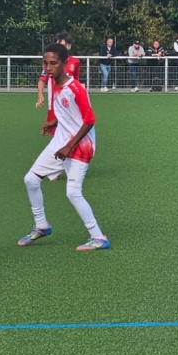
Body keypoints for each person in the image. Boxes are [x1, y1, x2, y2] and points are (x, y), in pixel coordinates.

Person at [18, 42, 110, 252]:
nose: (48, 68)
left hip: (80, 146)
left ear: (65, 64)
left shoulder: (76, 89)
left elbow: (89, 121)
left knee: (73, 192)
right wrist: (55, 122)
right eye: (45, 63)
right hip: (60, 142)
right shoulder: (53, 83)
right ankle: (42, 225)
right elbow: (69, 114)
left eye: (54, 63)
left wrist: (69, 147)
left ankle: (98, 237)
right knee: (31, 179)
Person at [36, 33, 80, 108]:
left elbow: (76, 81)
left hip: (69, 102)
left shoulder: (75, 62)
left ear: (69, 46)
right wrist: (40, 95)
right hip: (54, 103)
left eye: (63, 45)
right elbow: (42, 80)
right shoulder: (49, 63)